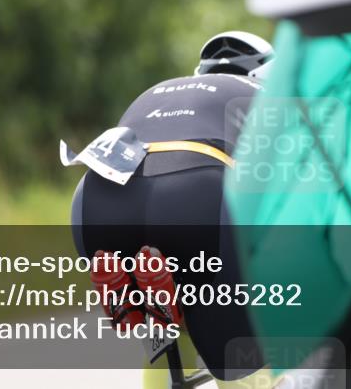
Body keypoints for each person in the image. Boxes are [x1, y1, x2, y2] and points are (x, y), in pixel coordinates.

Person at [69, 31, 274, 387]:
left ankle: (159, 314)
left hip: (97, 202)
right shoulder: (267, 100)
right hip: (198, 192)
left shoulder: (161, 91)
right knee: (241, 359)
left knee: (162, 312)